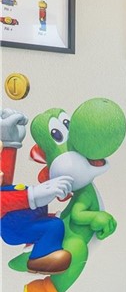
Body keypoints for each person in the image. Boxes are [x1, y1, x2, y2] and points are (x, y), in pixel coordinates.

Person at [0, 109, 73, 273]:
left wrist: (9, 140)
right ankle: (41, 258)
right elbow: (5, 199)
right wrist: (34, 194)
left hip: (26, 218)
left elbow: (4, 178)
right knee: (54, 227)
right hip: (15, 228)